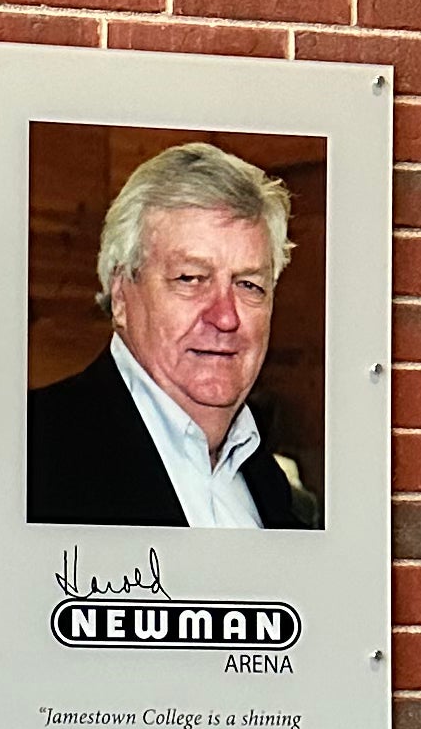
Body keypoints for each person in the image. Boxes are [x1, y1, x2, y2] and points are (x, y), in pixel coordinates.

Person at [26, 139, 317, 528]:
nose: (226, 317)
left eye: (249, 285)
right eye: (191, 278)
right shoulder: (26, 454)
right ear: (120, 295)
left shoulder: (275, 490)